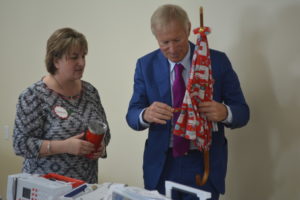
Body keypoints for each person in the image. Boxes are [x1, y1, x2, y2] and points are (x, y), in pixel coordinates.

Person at [126, 4, 249, 200]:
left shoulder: (217, 61)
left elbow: (242, 112)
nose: (172, 49)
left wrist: (225, 112)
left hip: (205, 163)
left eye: (177, 39)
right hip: (162, 165)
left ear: (189, 29)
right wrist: (145, 115)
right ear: (156, 38)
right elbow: (132, 115)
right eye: (165, 42)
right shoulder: (145, 65)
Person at [13, 27, 111, 183]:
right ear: (55, 60)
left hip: (85, 187)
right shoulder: (33, 96)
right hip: (45, 187)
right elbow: (20, 144)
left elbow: (105, 132)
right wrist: (64, 146)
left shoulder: (90, 91)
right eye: (74, 57)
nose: (81, 62)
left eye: (83, 56)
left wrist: (101, 147)